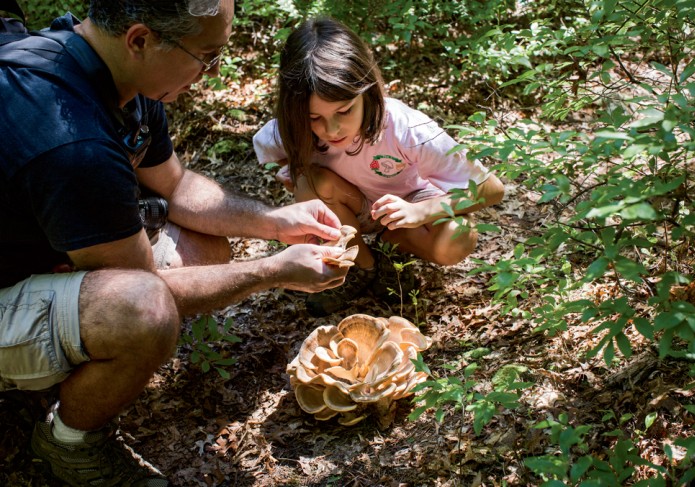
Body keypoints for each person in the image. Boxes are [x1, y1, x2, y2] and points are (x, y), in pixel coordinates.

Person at [0, 1, 354, 485]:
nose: (211, 72)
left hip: (38, 255)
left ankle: (72, 357)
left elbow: (177, 186)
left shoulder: (124, 79)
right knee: (143, 312)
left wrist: (275, 221)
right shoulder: (71, 142)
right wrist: (275, 270)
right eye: (206, 55)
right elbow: (140, 289)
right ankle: (69, 439)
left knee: (206, 248)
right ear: (141, 39)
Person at [253, 17, 505, 317]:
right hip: (351, 207)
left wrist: (419, 212)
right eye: (313, 118)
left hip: (409, 204)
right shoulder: (289, 129)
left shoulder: (406, 128)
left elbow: (491, 189)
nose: (331, 129)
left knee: (459, 235)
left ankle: (392, 250)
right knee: (309, 181)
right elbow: (278, 154)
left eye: (344, 111)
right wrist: (296, 176)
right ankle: (362, 267)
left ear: (366, 91)